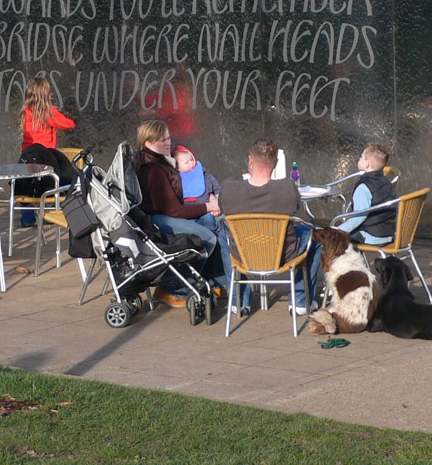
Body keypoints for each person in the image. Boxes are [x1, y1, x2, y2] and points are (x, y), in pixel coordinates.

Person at [217, 137, 321, 316]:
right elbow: (296, 207)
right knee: (315, 235)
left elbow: (223, 207)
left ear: (250, 160)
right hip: (281, 255)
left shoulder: (229, 188)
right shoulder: (287, 188)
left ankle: (239, 300)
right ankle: (301, 301)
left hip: (244, 255)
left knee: (224, 233)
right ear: (277, 163)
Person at [134, 118, 229, 305]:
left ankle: (217, 281)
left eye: (168, 138)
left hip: (170, 214)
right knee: (205, 237)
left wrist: (210, 196)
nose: (168, 142)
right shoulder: (152, 170)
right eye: (162, 140)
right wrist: (208, 206)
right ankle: (174, 289)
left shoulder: (161, 161)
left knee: (220, 224)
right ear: (148, 143)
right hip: (158, 219)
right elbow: (174, 209)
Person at [335, 142, 397, 246]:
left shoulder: (363, 187)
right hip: (387, 234)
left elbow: (360, 217)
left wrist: (337, 231)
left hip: (370, 236)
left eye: (361, 158)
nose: (359, 159)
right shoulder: (387, 182)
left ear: (367, 164)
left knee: (333, 237)